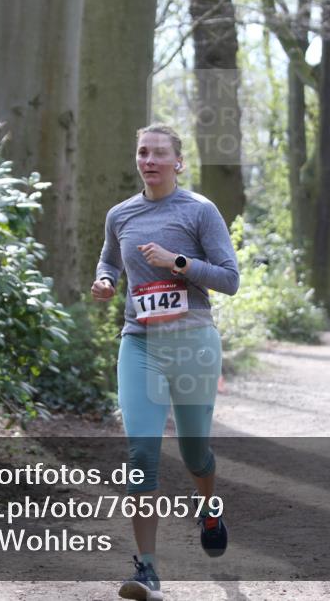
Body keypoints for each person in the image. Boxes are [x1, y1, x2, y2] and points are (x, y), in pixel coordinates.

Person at [92, 123, 239, 601]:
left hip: (193, 342)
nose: (149, 161)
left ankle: (209, 508)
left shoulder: (200, 210)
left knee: (195, 452)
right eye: (142, 153)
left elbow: (230, 279)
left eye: (158, 153)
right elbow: (109, 260)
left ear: (178, 162)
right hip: (140, 343)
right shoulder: (120, 215)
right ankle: (147, 569)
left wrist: (177, 263)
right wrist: (105, 281)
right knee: (141, 455)